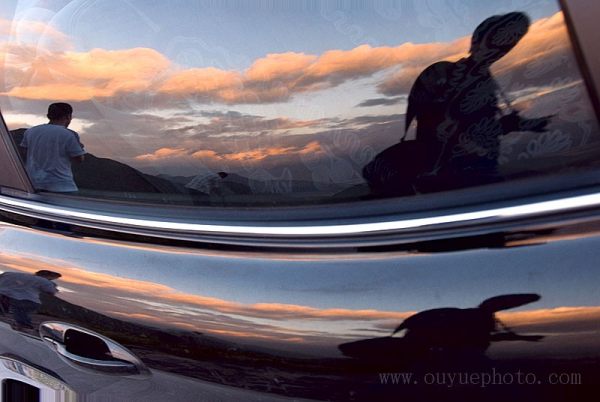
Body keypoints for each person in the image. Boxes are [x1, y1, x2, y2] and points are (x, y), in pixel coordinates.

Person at [404, 12, 552, 191]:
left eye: (509, 42)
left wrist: (520, 124)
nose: (500, 48)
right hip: (454, 173)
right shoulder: (444, 74)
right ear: (478, 40)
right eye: (497, 39)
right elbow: (444, 129)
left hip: (483, 165)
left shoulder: (487, 80)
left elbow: (482, 124)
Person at [20, 102, 86, 193]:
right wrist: (80, 148)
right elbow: (79, 159)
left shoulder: (30, 131)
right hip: (62, 186)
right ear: (68, 117)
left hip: (33, 184)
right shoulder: (69, 134)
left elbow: (24, 153)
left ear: (48, 116)